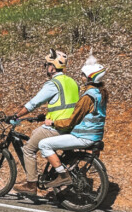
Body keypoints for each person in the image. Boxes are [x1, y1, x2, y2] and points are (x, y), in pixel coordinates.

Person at [10, 49, 79, 198]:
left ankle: (31, 185)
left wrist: (17, 115)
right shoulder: (73, 82)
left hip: (56, 127)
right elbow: (64, 104)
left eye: (47, 65)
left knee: (28, 149)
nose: (46, 68)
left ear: (52, 67)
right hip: (71, 126)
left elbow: (33, 103)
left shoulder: (53, 84)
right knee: (36, 133)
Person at [37, 55, 108, 189]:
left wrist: (53, 123)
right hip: (95, 135)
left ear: (89, 78)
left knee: (43, 144)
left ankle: (63, 176)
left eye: (83, 75)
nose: (81, 77)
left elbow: (71, 121)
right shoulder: (100, 93)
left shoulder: (87, 97)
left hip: (83, 137)